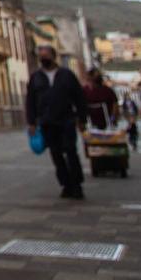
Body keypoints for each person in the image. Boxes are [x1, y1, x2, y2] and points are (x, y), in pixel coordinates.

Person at [25, 45, 88, 199]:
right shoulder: (36, 77)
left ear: (54, 56)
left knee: (71, 151)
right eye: (41, 56)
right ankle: (66, 184)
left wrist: (82, 119)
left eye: (46, 55)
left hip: (67, 119)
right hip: (47, 122)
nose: (43, 58)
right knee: (56, 154)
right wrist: (31, 122)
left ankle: (77, 184)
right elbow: (30, 101)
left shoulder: (66, 75)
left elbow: (79, 98)